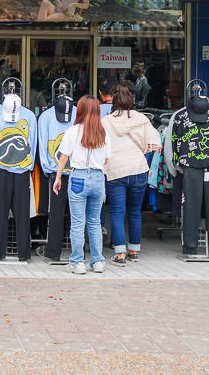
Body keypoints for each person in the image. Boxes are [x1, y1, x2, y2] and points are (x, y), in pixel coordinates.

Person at [102, 83, 162, 266]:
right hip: (138, 169)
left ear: (113, 99)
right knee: (135, 212)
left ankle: (120, 254)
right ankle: (134, 251)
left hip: (115, 170)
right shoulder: (141, 118)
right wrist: (142, 150)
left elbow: (101, 146)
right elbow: (155, 143)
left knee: (117, 213)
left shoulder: (106, 121)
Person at [53, 95, 112, 274]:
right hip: (98, 178)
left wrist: (57, 178)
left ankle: (78, 262)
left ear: (80, 110)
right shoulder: (103, 132)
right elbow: (107, 159)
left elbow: (63, 157)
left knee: (77, 223)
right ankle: (98, 261)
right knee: (94, 222)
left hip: (78, 177)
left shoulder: (73, 131)